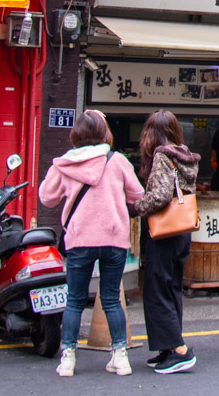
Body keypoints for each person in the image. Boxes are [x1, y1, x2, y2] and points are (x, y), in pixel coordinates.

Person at [39, 109, 144, 378]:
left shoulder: (64, 163)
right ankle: (120, 358)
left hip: (80, 239)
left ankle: (68, 359)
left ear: (77, 134)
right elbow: (137, 195)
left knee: (74, 300)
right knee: (110, 299)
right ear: (104, 133)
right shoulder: (117, 160)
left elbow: (46, 198)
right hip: (113, 239)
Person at [131, 109, 201, 374]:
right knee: (171, 288)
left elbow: (160, 196)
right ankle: (167, 349)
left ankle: (179, 349)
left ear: (153, 133)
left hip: (164, 231)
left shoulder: (162, 155)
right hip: (182, 231)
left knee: (157, 290)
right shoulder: (185, 155)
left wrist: (137, 206)